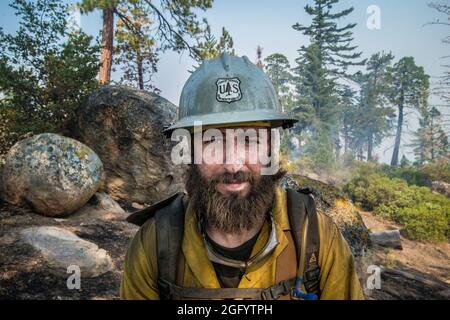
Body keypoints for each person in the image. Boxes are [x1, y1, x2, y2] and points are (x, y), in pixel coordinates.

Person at [120, 52, 364, 300]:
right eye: (212, 142)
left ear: (270, 148)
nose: (233, 164)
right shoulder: (153, 244)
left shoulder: (316, 236)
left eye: (249, 140)